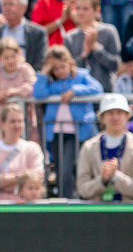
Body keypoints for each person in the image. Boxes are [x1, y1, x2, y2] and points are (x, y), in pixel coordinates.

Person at [32, 44, 103, 198]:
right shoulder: (50, 82)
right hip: (56, 133)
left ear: (70, 63)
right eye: (55, 69)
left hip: (78, 132)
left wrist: (75, 91)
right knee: (59, 170)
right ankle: (65, 200)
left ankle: (74, 200)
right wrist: (44, 72)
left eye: (62, 67)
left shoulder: (82, 76)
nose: (59, 72)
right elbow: (38, 93)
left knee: (70, 169)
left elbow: (98, 88)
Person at [76, 92, 133, 201]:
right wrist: (103, 180)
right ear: (102, 118)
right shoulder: (88, 148)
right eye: (110, 113)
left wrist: (115, 176)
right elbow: (82, 189)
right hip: (97, 212)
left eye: (119, 112)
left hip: (129, 213)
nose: (115, 117)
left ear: (127, 116)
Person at [63, 0, 122, 92]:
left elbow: (115, 65)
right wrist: (84, 55)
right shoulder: (70, 37)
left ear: (97, 10)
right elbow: (67, 70)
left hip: (105, 92)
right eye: (78, 8)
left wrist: (96, 48)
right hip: (78, 94)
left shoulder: (108, 31)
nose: (80, 12)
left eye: (85, 9)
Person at [0, 103, 44, 202]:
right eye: (12, 121)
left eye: (20, 121)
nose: (17, 125)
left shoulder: (32, 148)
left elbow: (37, 177)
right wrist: (20, 179)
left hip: (23, 207)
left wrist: (1, 183)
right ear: (2, 124)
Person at [0, 0, 46, 70]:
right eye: (4, 4)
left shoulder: (38, 34)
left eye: (11, 4)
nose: (7, 8)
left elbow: (40, 64)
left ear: (23, 7)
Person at [0, 35, 35, 125]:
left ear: (19, 53)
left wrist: (15, 92)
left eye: (13, 56)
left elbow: (34, 86)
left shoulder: (25, 69)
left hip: (23, 121)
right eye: (6, 57)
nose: (10, 60)